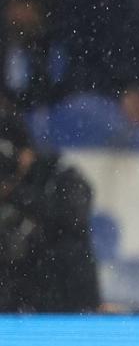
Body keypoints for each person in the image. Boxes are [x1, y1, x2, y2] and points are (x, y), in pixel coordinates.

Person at [0, 111, 100, 312]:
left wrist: (16, 193)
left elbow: (74, 216)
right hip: (8, 301)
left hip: (59, 300)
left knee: (68, 242)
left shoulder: (56, 176)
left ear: (27, 154)